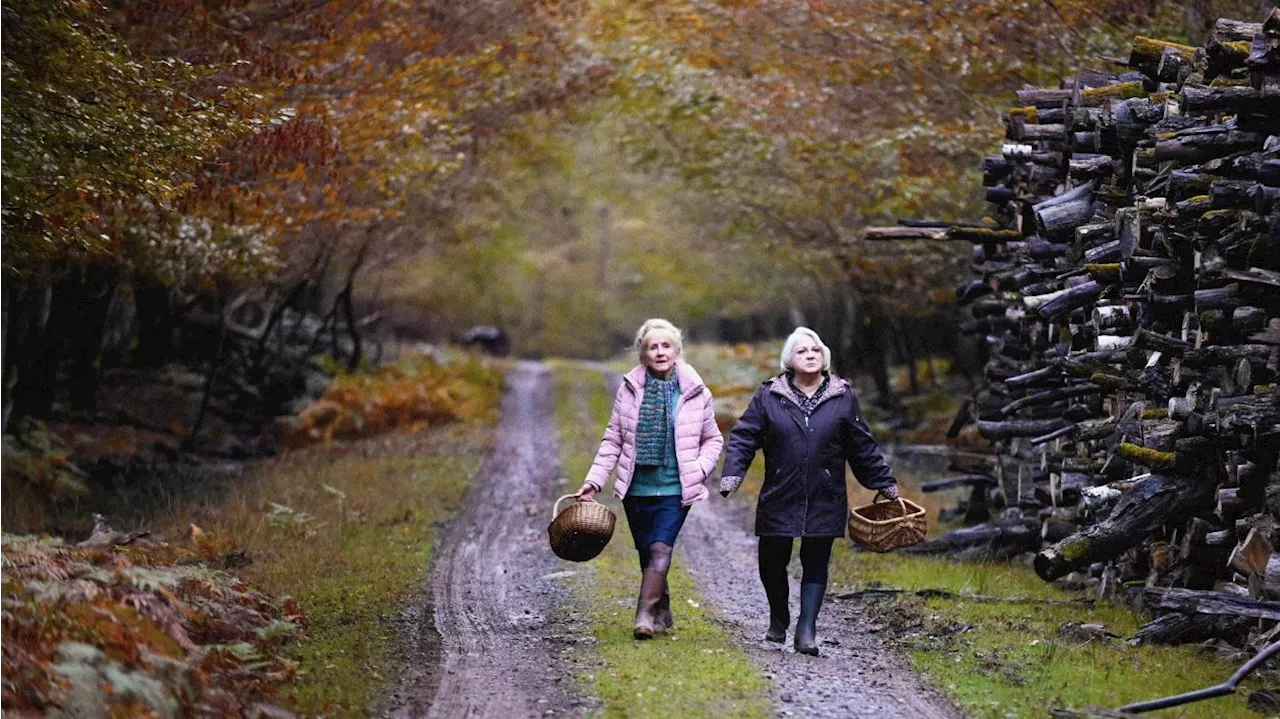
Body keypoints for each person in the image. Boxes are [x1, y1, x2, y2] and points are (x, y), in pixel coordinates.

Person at [719, 327, 900, 656]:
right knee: (771, 561)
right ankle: (779, 616)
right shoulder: (769, 395)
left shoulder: (842, 394)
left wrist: (884, 482)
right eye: (802, 351)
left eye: (816, 349)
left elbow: (861, 444)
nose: (811, 354)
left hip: (825, 491)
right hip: (780, 489)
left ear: (824, 355)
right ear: (790, 359)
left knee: (816, 560)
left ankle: (807, 629)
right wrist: (733, 473)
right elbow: (745, 436)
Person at [577, 319, 724, 639]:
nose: (660, 352)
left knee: (661, 548)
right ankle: (663, 607)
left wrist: (699, 469)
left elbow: (713, 439)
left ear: (677, 351)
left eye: (666, 346)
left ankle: (643, 615)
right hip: (637, 487)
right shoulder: (629, 390)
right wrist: (594, 481)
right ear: (643, 354)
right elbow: (613, 440)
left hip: (675, 486)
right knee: (647, 551)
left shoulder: (696, 391)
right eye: (653, 347)